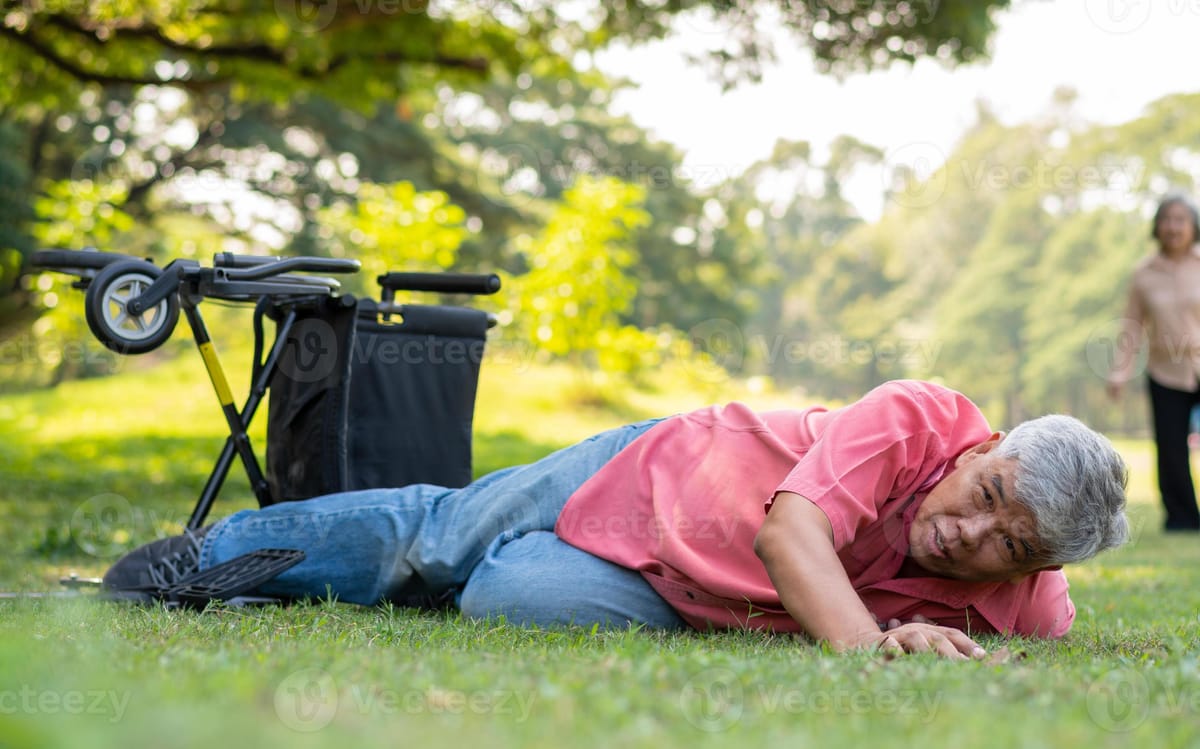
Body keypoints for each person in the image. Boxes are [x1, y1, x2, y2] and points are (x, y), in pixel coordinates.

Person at [104, 379, 1129, 660]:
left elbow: (1049, 632)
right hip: (658, 467)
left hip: (676, 592)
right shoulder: (917, 418)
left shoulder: (1027, 601)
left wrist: (972, 647)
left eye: (1014, 546)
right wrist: (869, 645)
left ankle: (441, 578)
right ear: (983, 450)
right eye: (988, 498)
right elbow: (790, 534)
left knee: (509, 593)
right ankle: (208, 557)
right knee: (440, 539)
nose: (973, 536)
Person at [1108, 192, 1200, 532]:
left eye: (1180, 220)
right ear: (1157, 227)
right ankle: (1182, 518)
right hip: (1166, 371)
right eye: (1167, 219)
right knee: (1172, 449)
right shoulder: (1143, 273)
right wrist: (1120, 371)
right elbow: (1132, 326)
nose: (1173, 227)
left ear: (1193, 226)